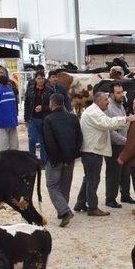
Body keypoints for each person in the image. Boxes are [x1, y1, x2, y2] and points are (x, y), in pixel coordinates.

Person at [76, 92, 135, 217]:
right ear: (98, 101)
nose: (108, 102)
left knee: (88, 178)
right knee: (93, 180)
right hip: (92, 151)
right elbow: (108, 123)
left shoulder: (96, 111)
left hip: (93, 150)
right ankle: (92, 208)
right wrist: (126, 119)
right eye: (106, 100)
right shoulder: (94, 113)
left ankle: (80, 203)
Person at [42, 93, 82, 227]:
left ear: (51, 104)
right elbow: (79, 139)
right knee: (65, 185)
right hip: (70, 158)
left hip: (55, 159)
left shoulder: (48, 119)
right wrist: (72, 156)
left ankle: (64, 211)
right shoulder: (73, 118)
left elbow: (49, 142)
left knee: (52, 185)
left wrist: (54, 159)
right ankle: (62, 211)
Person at [102, 82, 135, 208]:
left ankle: (125, 195)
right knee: (113, 172)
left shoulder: (120, 105)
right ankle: (110, 199)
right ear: (111, 94)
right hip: (114, 145)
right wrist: (126, 141)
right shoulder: (108, 108)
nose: (122, 95)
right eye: (118, 93)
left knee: (126, 171)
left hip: (123, 143)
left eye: (122, 92)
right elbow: (110, 133)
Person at [24, 71, 54, 164]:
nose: (40, 80)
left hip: (45, 119)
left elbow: (53, 106)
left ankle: (43, 161)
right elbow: (26, 105)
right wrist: (26, 119)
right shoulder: (30, 90)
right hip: (32, 118)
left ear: (45, 79)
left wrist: (43, 108)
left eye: (42, 78)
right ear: (35, 79)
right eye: (38, 78)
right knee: (32, 139)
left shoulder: (50, 91)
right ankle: (31, 160)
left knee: (43, 141)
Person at [0, 75, 19, 151]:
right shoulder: (11, 90)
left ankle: (4, 161)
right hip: (12, 120)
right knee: (13, 144)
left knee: (2, 146)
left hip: (1, 121)